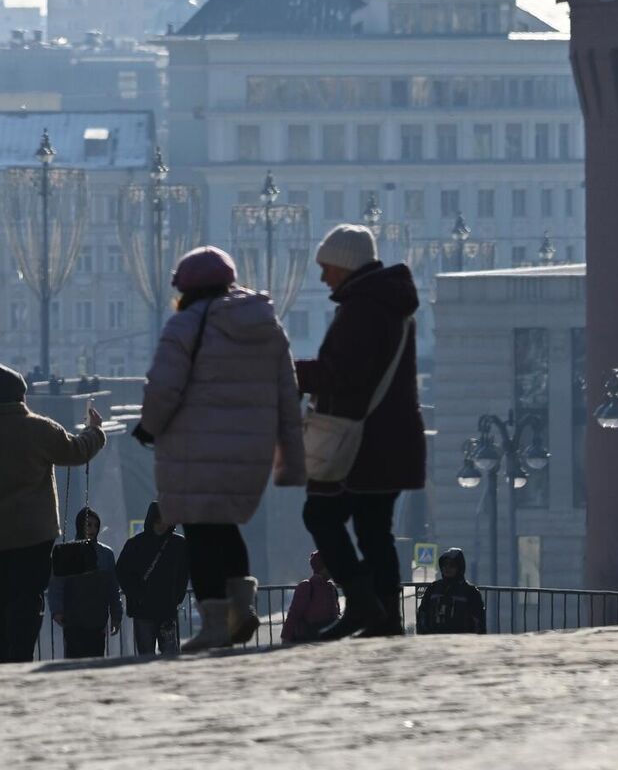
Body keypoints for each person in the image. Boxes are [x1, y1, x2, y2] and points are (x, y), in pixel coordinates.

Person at [135, 246, 305, 652]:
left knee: (199, 531)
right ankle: (241, 610)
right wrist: (291, 457)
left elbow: (164, 386)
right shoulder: (266, 325)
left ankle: (215, 622)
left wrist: (148, 426)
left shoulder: (186, 325)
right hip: (250, 453)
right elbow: (288, 391)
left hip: (196, 449)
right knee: (226, 526)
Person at [294, 224, 423, 642]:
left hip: (365, 443)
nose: (323, 277)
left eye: (326, 267)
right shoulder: (387, 304)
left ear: (346, 264)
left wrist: (291, 372)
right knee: (374, 528)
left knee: (321, 514)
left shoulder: (363, 309)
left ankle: (364, 602)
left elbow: (342, 375)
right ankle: (384, 615)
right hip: (389, 440)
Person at [0, 360, 105, 663]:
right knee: (27, 598)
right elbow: (77, 451)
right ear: (21, 395)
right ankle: (21, 657)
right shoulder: (39, 428)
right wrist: (94, 431)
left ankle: (1, 659)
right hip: (34, 535)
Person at [48, 507, 123, 659]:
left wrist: (116, 614)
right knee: (74, 659)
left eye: (96, 525)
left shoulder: (106, 554)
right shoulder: (67, 552)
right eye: (88, 524)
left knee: (96, 658)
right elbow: (57, 584)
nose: (93, 529)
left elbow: (112, 587)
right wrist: (57, 610)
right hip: (73, 617)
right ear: (79, 524)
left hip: (97, 618)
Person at [115, 503, 189, 657]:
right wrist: (137, 595)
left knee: (170, 655)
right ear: (151, 521)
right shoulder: (135, 544)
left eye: (165, 520)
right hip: (144, 610)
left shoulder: (178, 544)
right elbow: (122, 573)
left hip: (166, 609)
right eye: (158, 521)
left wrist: (177, 597)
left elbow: (184, 573)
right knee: (146, 654)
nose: (162, 525)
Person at [414, 548, 487, 635]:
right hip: (434, 640)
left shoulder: (470, 592)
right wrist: (424, 634)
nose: (447, 568)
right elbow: (422, 613)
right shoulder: (433, 588)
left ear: (459, 567)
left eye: (452, 565)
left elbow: (479, 622)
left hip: (462, 642)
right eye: (444, 565)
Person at [279, 549, 344, 644]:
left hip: (326, 636)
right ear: (322, 568)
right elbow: (294, 614)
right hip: (308, 638)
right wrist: (285, 637)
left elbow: (335, 612)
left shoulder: (331, 588)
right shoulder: (307, 586)